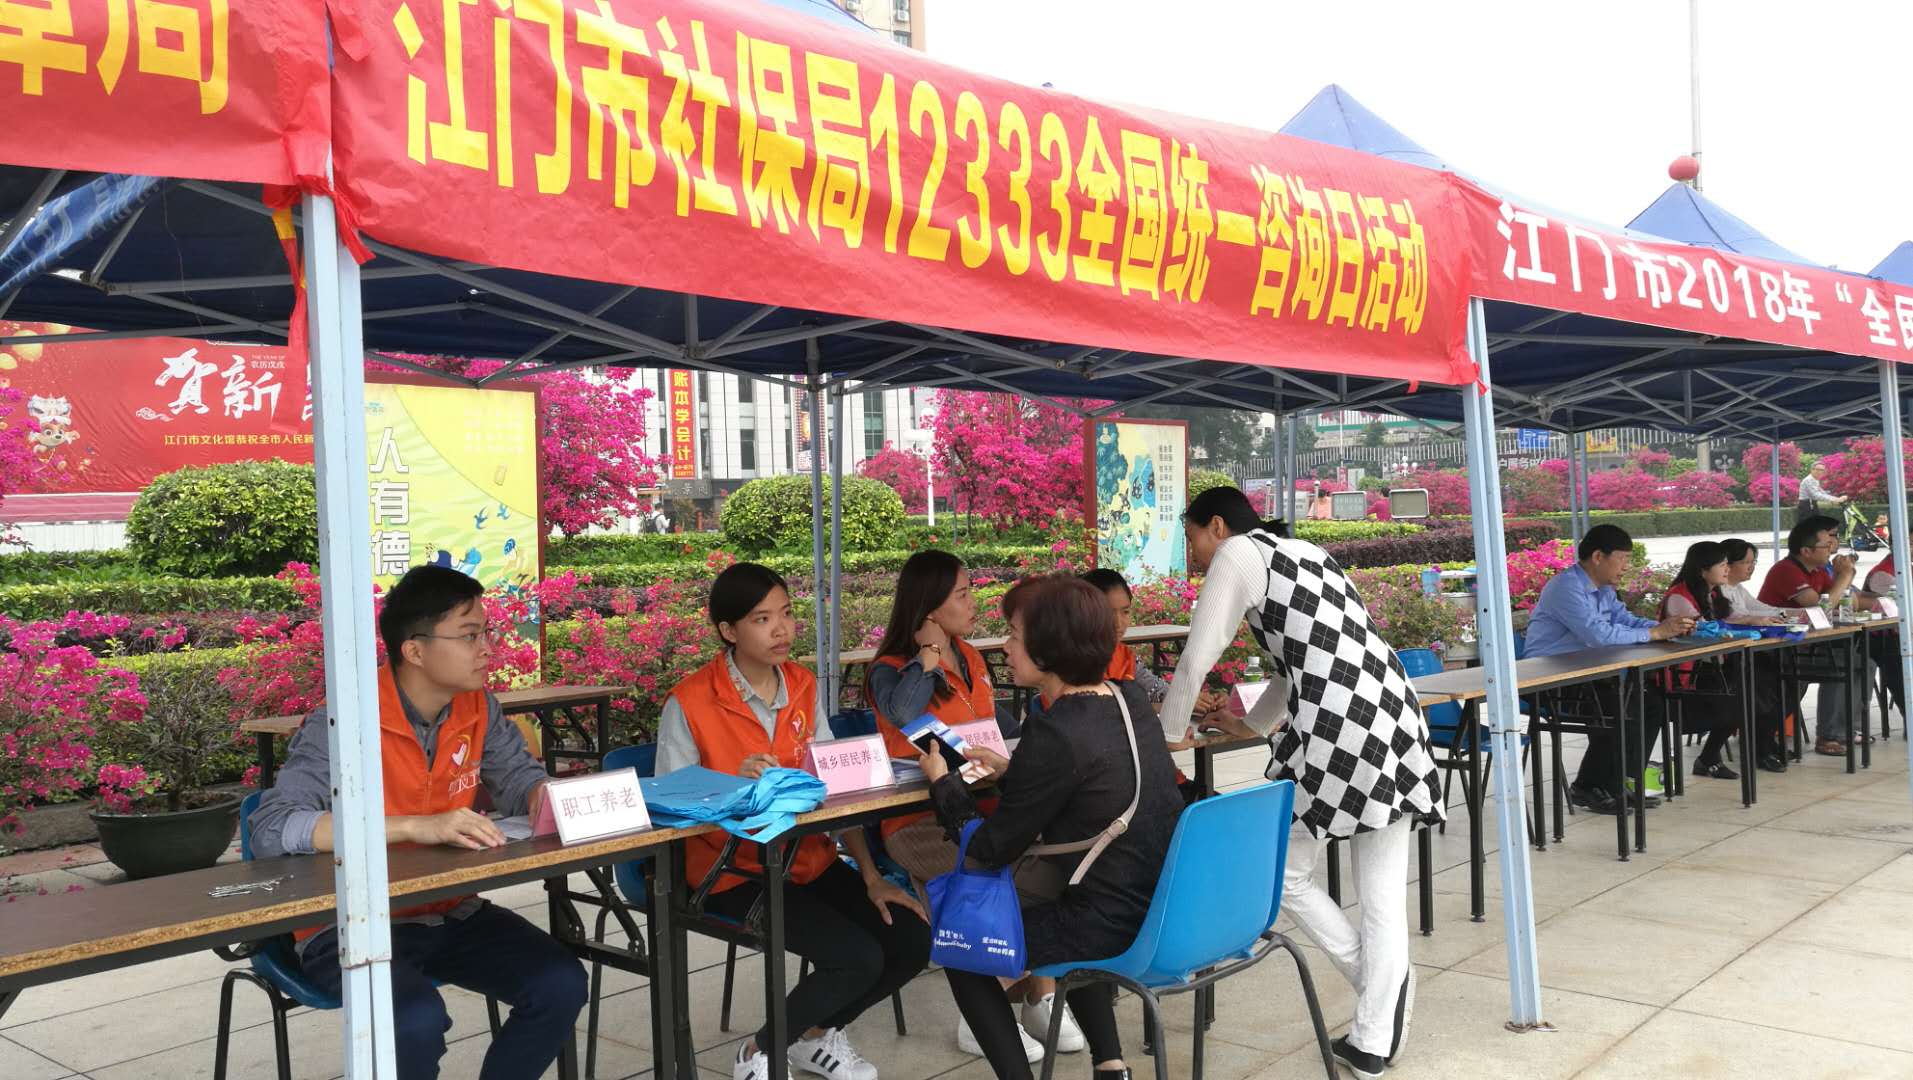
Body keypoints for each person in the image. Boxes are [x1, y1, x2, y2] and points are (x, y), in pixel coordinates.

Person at [250, 565, 586, 1080]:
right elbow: (271, 828)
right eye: (470, 635)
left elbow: (520, 781)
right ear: (415, 650)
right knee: (414, 1019)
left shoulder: (478, 707)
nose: (488, 649)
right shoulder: (345, 720)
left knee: (560, 983)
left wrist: (550, 796)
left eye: (487, 632)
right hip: (348, 925)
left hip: (447, 909)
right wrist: (412, 827)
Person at [1157, 486, 1441, 1080]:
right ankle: (1374, 1028)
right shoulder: (1305, 553)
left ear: (1217, 526)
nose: (1195, 553)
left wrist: (1168, 733)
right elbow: (1300, 665)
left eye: (1192, 537)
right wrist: (1249, 725)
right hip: (1393, 713)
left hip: (1344, 729)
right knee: (1382, 892)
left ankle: (1380, 993)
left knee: (1282, 868)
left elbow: (1196, 658)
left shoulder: (1239, 554)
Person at [656, 563, 930, 1080]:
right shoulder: (689, 702)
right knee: (856, 957)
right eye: (762, 619)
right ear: (728, 630)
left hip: (807, 861)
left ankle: (814, 1036)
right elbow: (671, 806)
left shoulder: (802, 685)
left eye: (785, 613)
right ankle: (759, 1050)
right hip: (730, 873)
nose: (781, 629)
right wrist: (732, 785)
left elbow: (834, 787)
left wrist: (871, 876)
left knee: (911, 938)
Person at [919, 575, 1184, 1080]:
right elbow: (1091, 782)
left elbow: (991, 847)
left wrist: (943, 786)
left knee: (962, 940)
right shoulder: (1127, 699)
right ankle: (1110, 1065)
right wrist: (1011, 771)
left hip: (1112, 922)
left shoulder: (1056, 728)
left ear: (1050, 646)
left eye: (1014, 635)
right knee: (1065, 902)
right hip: (1167, 905)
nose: (1005, 646)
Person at [861, 551, 1073, 1062]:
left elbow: (994, 724)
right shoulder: (888, 671)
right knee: (987, 877)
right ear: (931, 607)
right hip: (917, 820)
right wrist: (927, 658)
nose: (974, 601)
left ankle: (1039, 997)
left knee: (1043, 863)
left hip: (983, 804)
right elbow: (902, 711)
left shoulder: (973, 657)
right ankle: (981, 1013)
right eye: (962, 593)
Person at [1524, 524, 1695, 815]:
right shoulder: (1566, 587)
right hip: (1547, 678)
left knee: (1650, 703)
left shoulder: (1604, 589)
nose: (1626, 566)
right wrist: (1654, 634)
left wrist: (1667, 627)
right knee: (1616, 706)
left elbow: (1625, 620)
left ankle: (1618, 782)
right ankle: (1587, 786)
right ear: (1598, 557)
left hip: (1588, 673)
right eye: (1622, 558)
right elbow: (1598, 635)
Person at [1080, 568, 1226, 806]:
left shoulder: (1123, 656)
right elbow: (1105, 717)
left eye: (1125, 612)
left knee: (1221, 809)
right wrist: (1166, 706)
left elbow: (1157, 690)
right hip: (1124, 791)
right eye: (1107, 612)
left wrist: (1197, 702)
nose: (1118, 623)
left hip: (1157, 778)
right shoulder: (1073, 666)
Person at [1758, 516, 1862, 756]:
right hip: (1777, 650)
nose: (1832, 547)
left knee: (1862, 661)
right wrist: (1844, 577)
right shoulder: (1786, 571)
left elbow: (1849, 603)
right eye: (1826, 544)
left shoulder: (1818, 571)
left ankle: (1846, 729)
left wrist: (1844, 581)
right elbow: (1819, 608)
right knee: (1843, 664)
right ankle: (1829, 735)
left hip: (1805, 645)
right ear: (1806, 551)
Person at [1658, 542, 1757, 779]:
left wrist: (1757, 620)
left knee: (1752, 690)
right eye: (1722, 565)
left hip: (1710, 667)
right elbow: (1705, 631)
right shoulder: (1679, 597)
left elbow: (1735, 618)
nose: (1727, 569)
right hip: (1686, 674)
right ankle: (1709, 758)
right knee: (1738, 701)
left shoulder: (1713, 594)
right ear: (1703, 569)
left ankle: (1710, 758)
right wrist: (1744, 623)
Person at [1717, 538, 1794, 771]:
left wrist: (1796, 614)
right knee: (1766, 688)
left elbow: (1762, 609)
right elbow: (1733, 619)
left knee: (1789, 682)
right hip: (1728, 660)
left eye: (1754, 562)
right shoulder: (1717, 592)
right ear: (1727, 564)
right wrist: (1755, 619)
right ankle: (1760, 748)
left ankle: (1766, 741)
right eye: (1746, 562)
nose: (1751, 567)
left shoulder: (1738, 589)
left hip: (1751, 653)